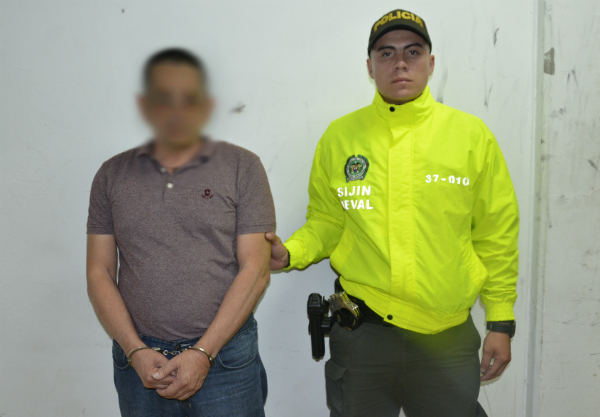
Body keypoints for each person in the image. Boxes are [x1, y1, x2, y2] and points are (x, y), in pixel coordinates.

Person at [266, 9, 519, 417]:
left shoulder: (472, 137)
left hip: (446, 336)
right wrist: (291, 252)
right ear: (370, 67)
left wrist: (501, 321)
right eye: (386, 53)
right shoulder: (340, 137)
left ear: (431, 64)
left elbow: (496, 235)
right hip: (363, 338)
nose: (400, 63)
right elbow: (328, 222)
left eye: (412, 52)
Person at [86, 48, 275, 417]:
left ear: (206, 104)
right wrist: (135, 350)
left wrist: (203, 352)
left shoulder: (243, 167)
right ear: (144, 104)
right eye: (163, 96)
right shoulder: (111, 175)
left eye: (188, 97)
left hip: (226, 360)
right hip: (140, 362)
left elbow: (256, 270)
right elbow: (99, 272)